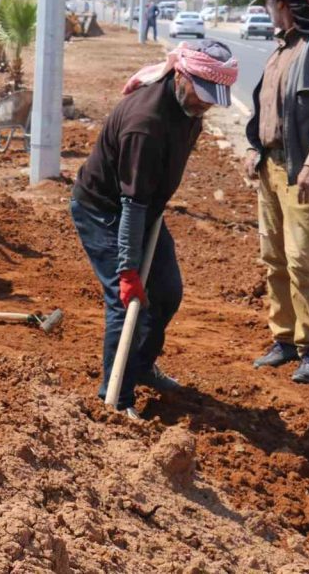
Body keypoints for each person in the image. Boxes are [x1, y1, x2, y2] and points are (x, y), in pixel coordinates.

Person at [70, 40, 238, 419]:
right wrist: (128, 271)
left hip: (144, 208)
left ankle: (141, 366)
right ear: (181, 75)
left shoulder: (188, 108)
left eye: (213, 97)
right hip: (105, 210)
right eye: (201, 94)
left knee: (168, 292)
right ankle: (116, 399)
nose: (205, 104)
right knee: (126, 302)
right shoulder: (145, 124)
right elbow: (132, 204)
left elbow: (147, 195)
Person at [244, 0, 309, 389]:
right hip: (270, 169)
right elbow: (264, 111)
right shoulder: (279, 51)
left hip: (304, 173)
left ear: (285, 4)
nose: (267, 12)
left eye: (270, 4)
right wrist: (252, 148)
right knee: (274, 258)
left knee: (302, 261)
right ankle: (284, 340)